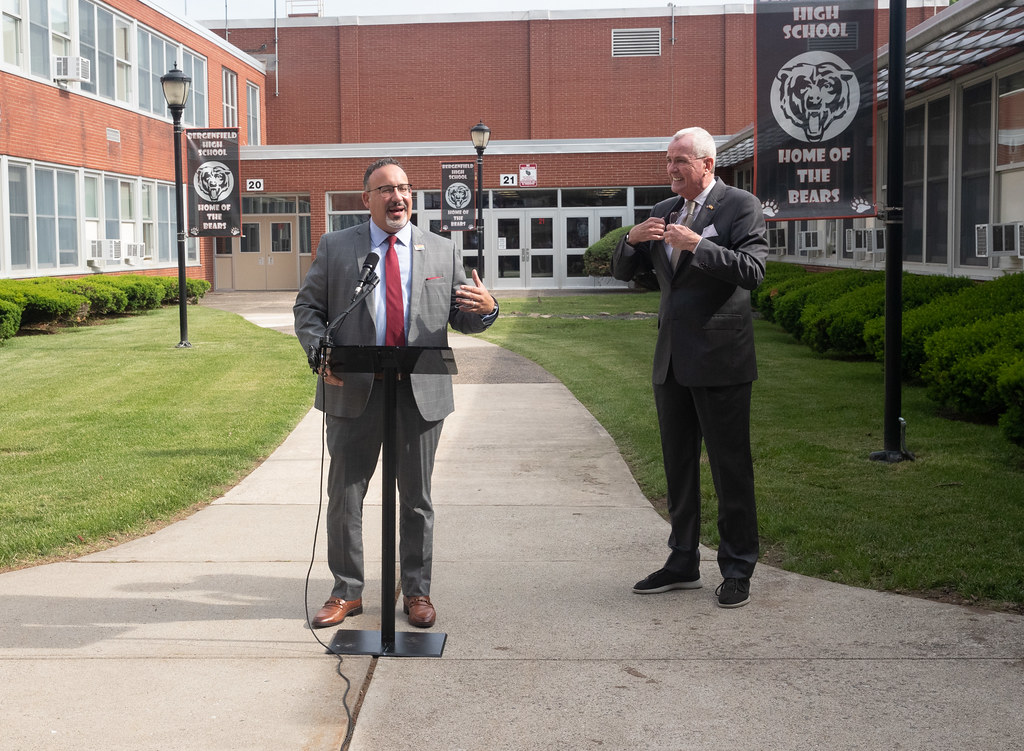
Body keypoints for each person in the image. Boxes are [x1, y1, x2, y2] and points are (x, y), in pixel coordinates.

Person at [293, 157, 498, 629]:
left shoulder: (442, 250)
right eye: (385, 189)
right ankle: (347, 591)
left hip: (419, 391)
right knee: (345, 495)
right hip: (353, 389)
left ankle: (417, 591)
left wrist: (488, 309)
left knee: (417, 498)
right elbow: (308, 307)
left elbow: (462, 316)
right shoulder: (336, 247)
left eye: (403, 188)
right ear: (366, 199)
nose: (397, 197)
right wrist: (318, 350)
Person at [612, 127, 767, 608]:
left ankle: (737, 567)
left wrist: (699, 244)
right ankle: (681, 561)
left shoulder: (741, 205)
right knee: (678, 468)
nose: (671, 169)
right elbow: (624, 272)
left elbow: (753, 272)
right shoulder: (663, 212)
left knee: (729, 468)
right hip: (672, 360)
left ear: (707, 164)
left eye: (680, 160)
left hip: (721, 360)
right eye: (667, 161)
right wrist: (632, 242)